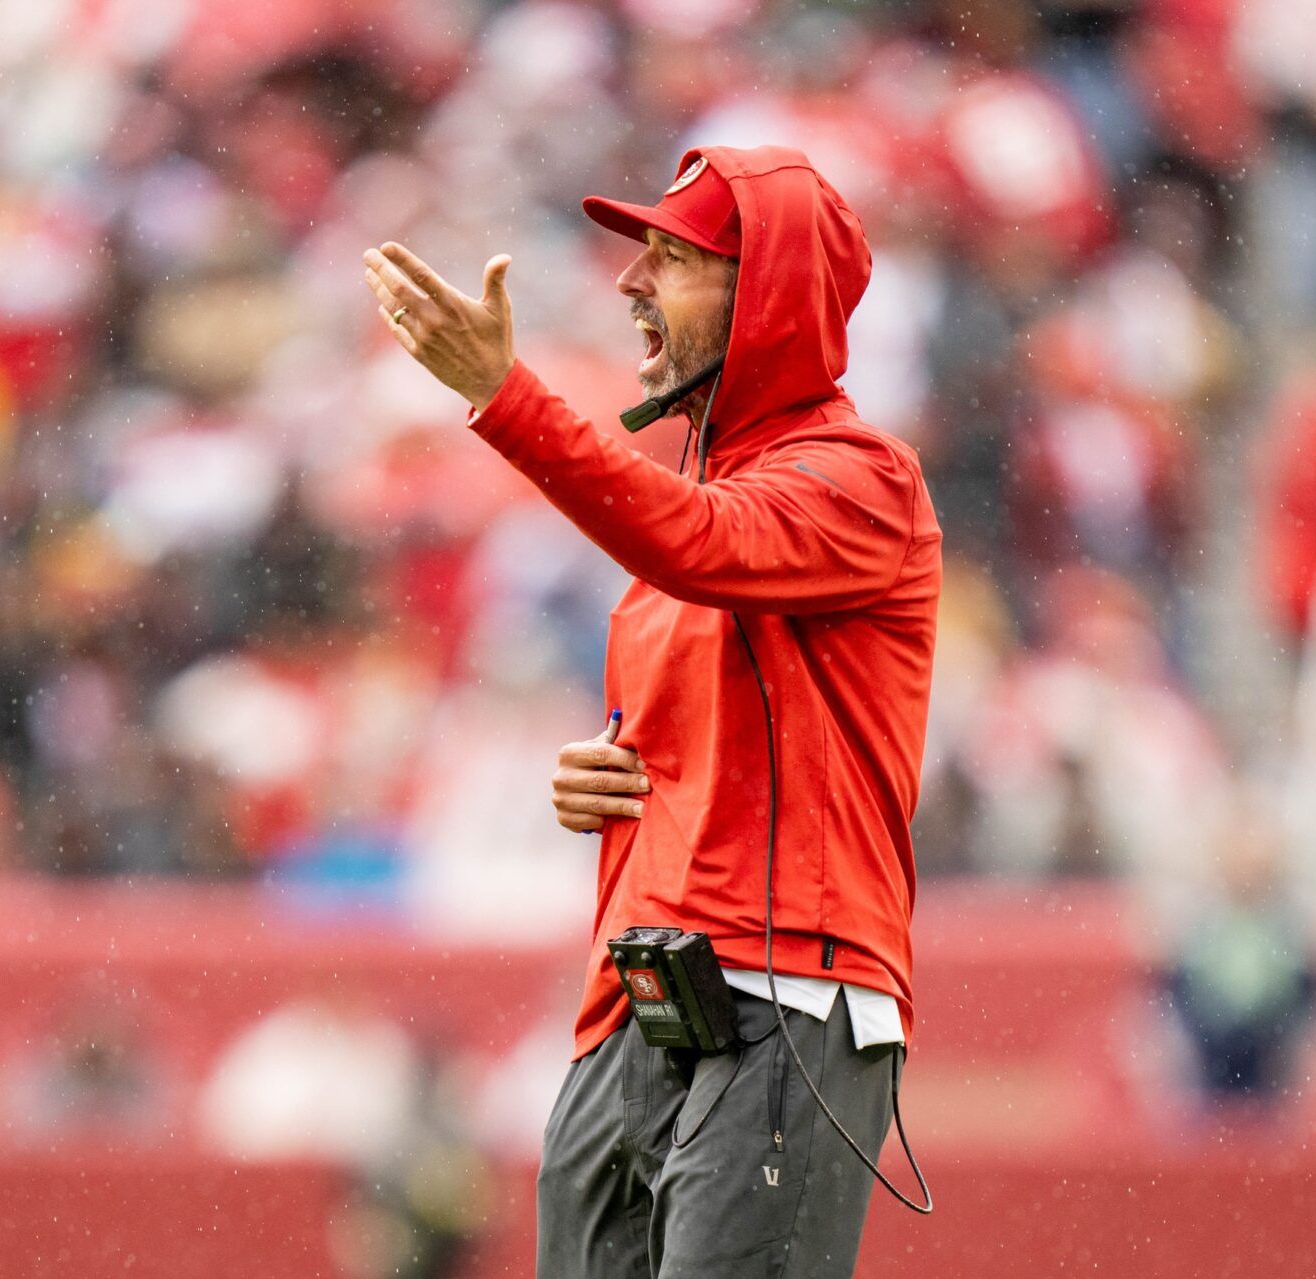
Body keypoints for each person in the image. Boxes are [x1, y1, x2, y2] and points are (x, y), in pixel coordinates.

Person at [363, 145, 942, 1277]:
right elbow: (711, 629)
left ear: (767, 296)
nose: (631, 283)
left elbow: (701, 548)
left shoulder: (862, 478)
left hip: (790, 995)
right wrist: (618, 773)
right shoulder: (697, 498)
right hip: (643, 999)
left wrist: (504, 396)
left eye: (673, 260)